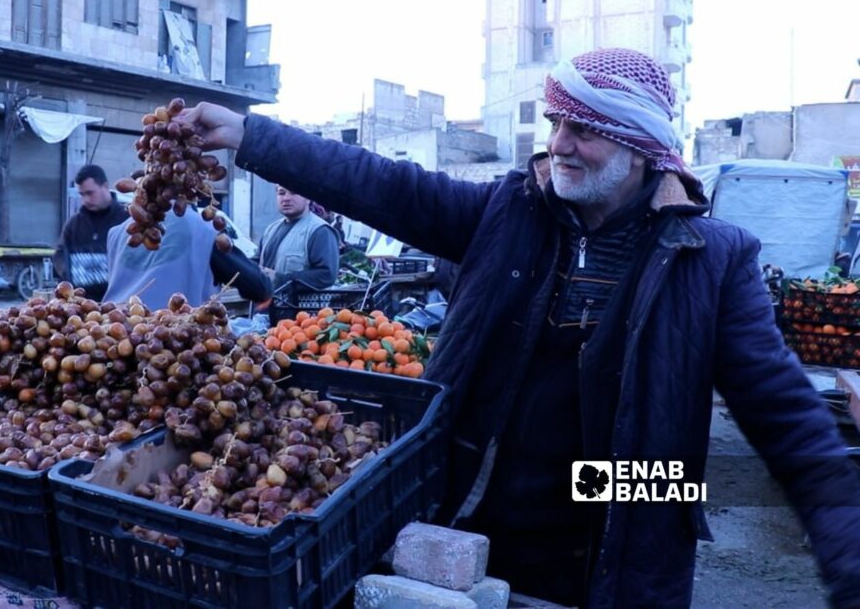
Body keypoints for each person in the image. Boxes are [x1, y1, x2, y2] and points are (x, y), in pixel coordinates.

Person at [171, 48, 860, 608]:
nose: (559, 145)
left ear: (640, 149)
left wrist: (845, 540)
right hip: (472, 506)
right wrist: (252, 135)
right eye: (556, 125)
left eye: (583, 130)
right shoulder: (509, 210)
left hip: (614, 533)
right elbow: (383, 185)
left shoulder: (713, 259)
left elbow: (783, 412)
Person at [103, 206, 272, 309]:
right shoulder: (203, 230)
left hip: (113, 338)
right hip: (171, 345)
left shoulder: (116, 232)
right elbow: (258, 287)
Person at [53, 165, 129, 300]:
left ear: (105, 186)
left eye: (90, 193)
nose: (86, 199)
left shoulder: (126, 220)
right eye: (82, 194)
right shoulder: (73, 224)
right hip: (80, 307)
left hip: (120, 304)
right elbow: (59, 255)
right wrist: (69, 272)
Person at [258, 185, 339, 290]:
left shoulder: (320, 231)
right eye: (281, 193)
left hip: (299, 305)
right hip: (266, 303)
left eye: (294, 192)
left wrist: (280, 279)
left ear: (308, 198)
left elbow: (326, 276)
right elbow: (257, 261)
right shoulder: (271, 229)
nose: (286, 198)